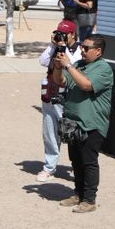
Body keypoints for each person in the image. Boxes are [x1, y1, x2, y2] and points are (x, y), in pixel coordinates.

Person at [52, 33, 113, 214]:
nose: (83, 51)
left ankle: (89, 199)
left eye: (87, 48)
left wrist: (69, 65)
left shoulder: (104, 69)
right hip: (73, 122)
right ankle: (78, 193)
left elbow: (86, 85)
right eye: (82, 47)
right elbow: (60, 81)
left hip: (92, 123)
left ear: (98, 51)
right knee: (76, 160)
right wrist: (57, 67)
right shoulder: (79, 65)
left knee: (88, 161)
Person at [37, 20, 82, 181]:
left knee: (70, 132)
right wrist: (53, 46)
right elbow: (42, 61)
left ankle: (78, 169)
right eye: (58, 32)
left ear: (72, 34)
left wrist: (64, 48)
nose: (61, 36)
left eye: (64, 33)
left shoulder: (79, 50)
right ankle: (49, 167)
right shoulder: (55, 47)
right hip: (50, 93)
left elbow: (74, 65)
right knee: (49, 132)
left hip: (67, 97)